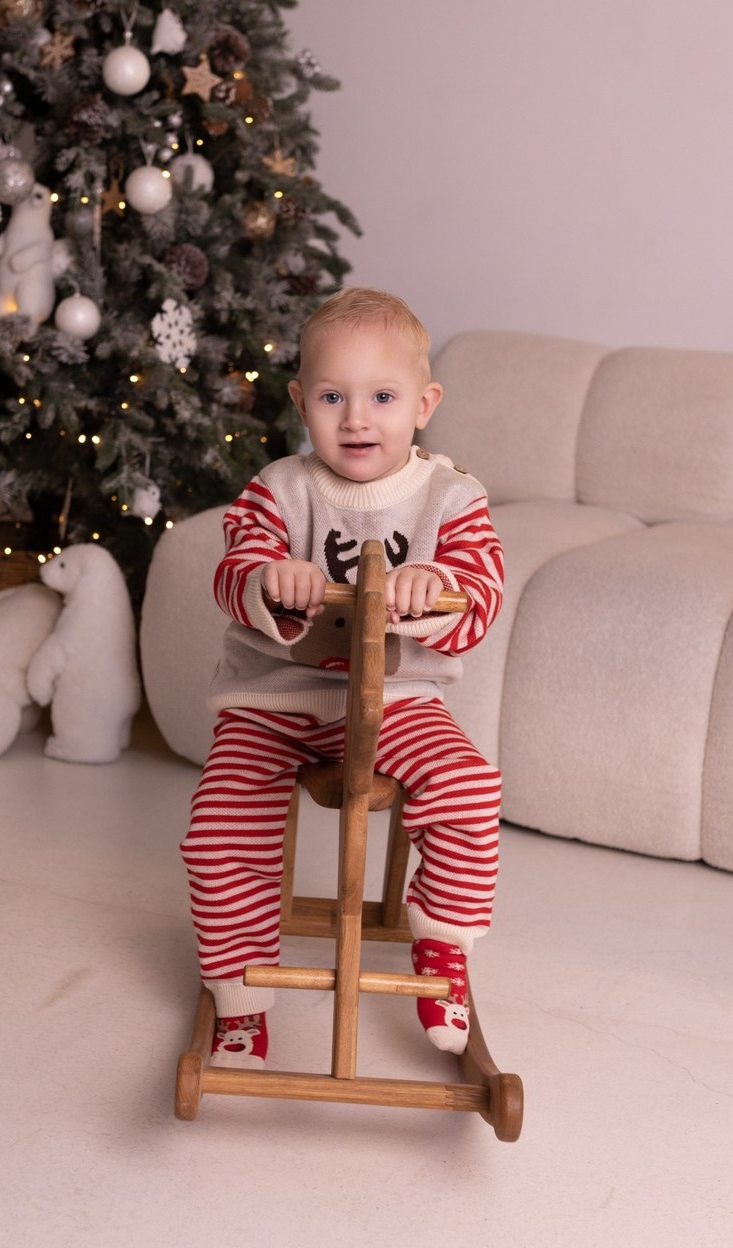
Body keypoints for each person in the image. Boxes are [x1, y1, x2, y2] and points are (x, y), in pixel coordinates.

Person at [180, 286, 504, 1069]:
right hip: (274, 698)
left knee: (470, 789)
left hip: (398, 698)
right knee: (218, 832)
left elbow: (483, 593)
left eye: (383, 397)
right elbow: (232, 571)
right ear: (301, 400)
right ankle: (240, 995)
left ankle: (442, 944)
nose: (357, 418)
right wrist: (267, 579)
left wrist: (433, 587)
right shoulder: (278, 489)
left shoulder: (452, 498)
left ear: (424, 404)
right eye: (333, 397)